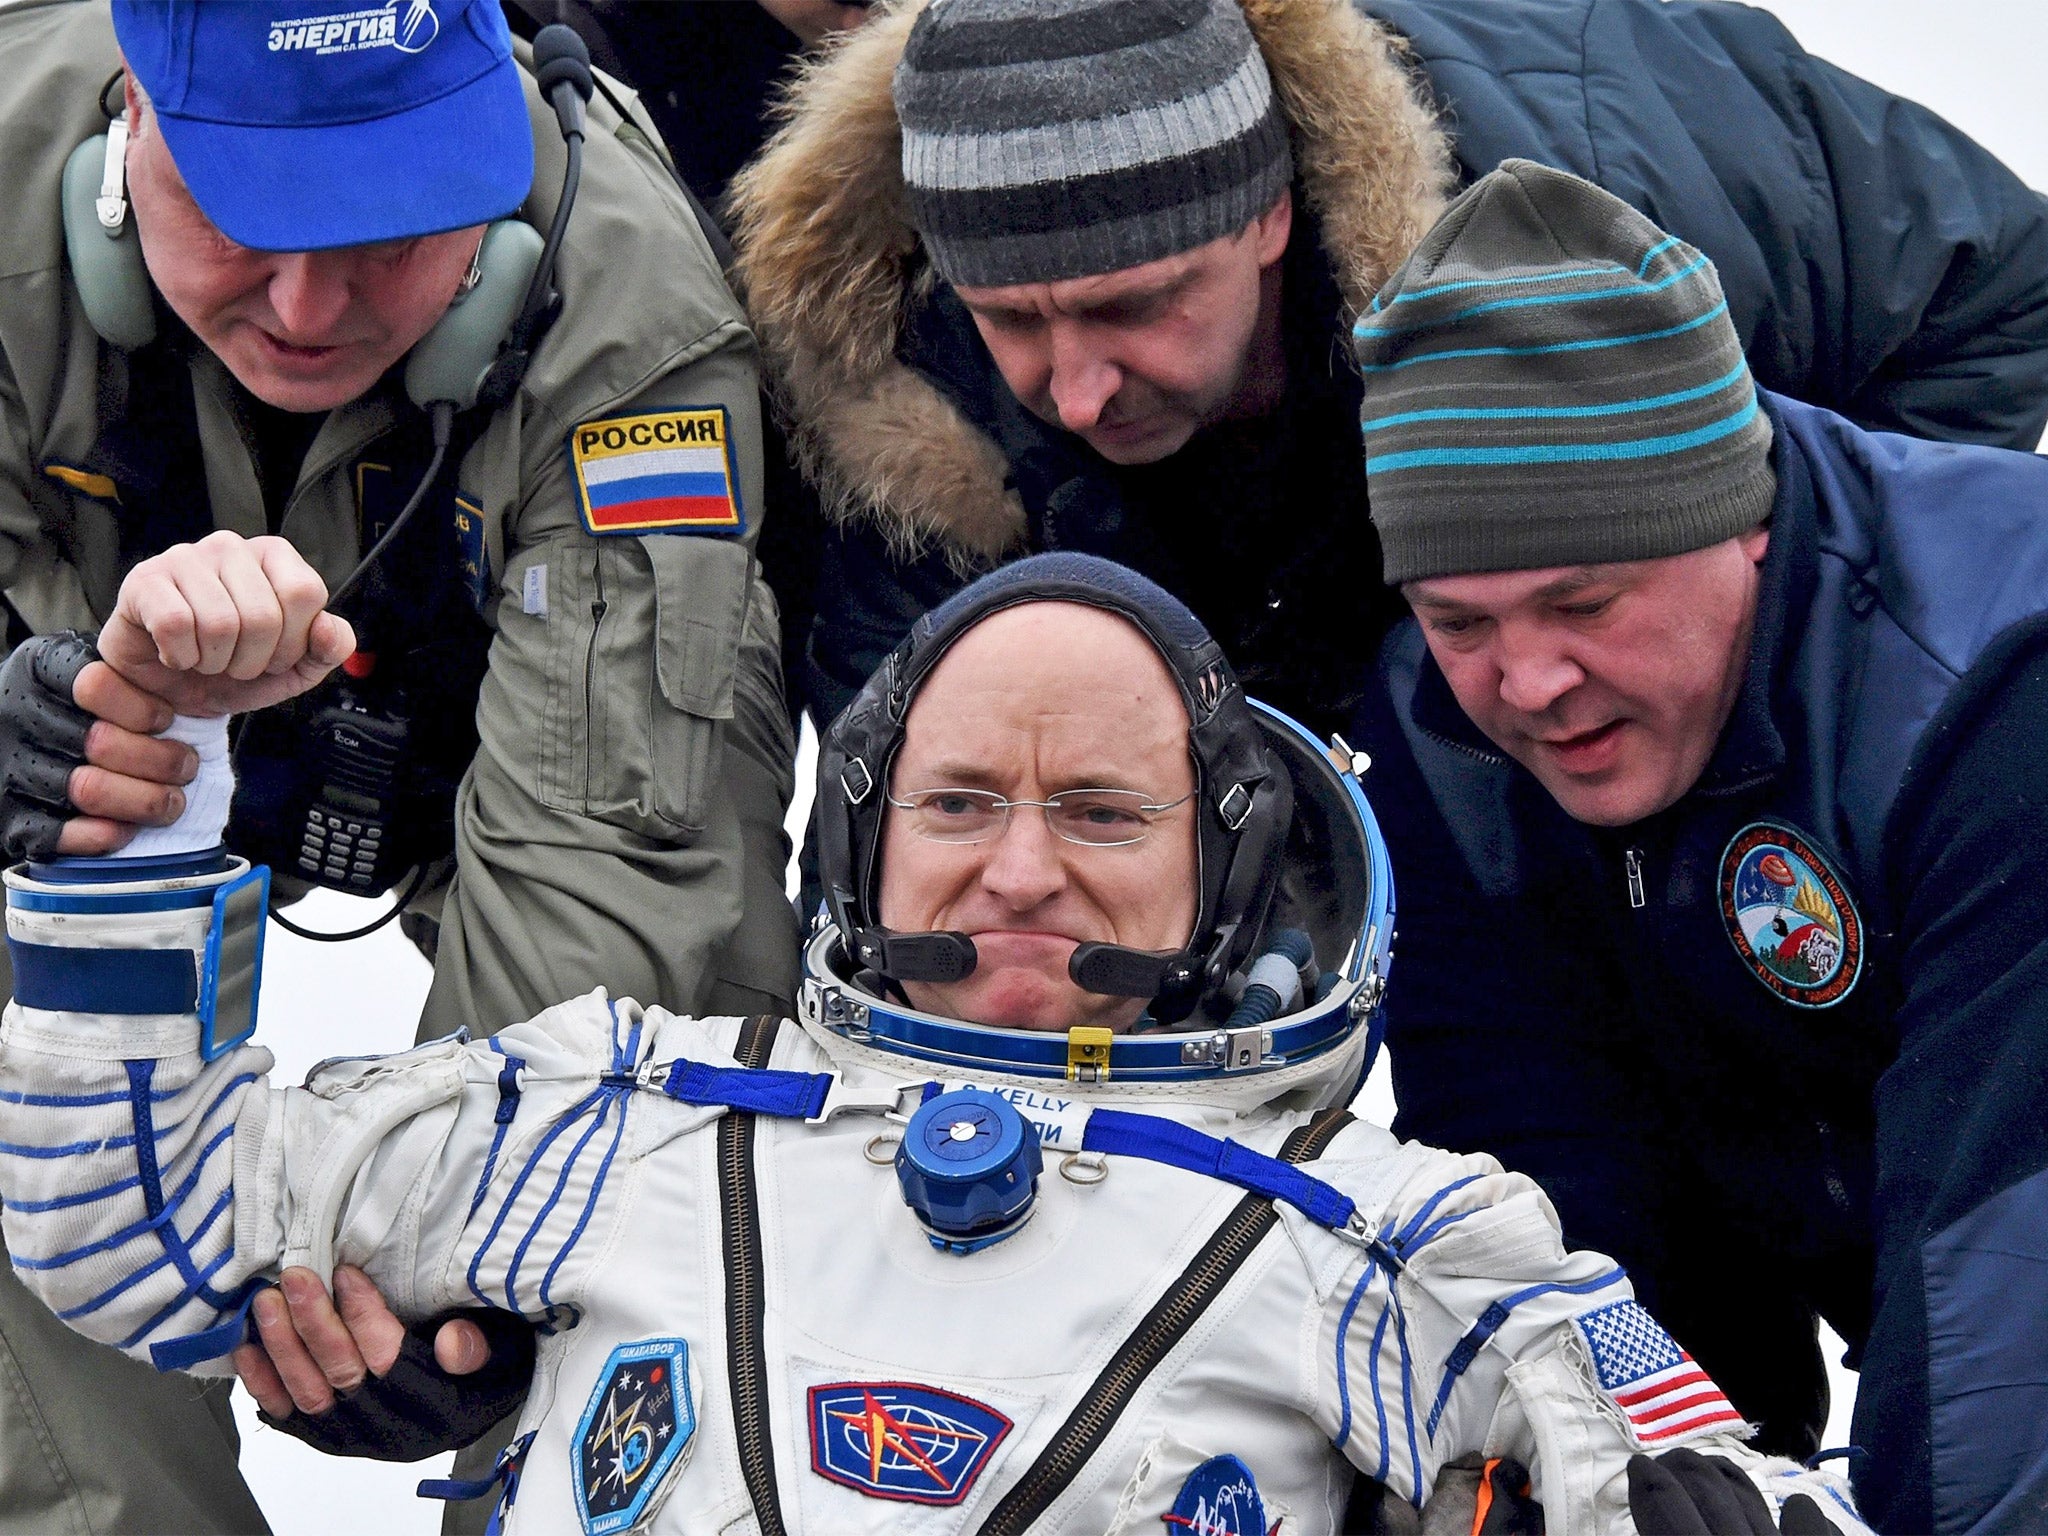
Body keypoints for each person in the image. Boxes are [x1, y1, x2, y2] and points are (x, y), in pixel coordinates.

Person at [0, 550, 1867, 1535]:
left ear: (1224, 878)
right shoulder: (613, 1103)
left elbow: (1650, 1429)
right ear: (861, 839)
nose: (1023, 870)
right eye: (961, 801)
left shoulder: (1388, 1231)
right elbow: (133, 1224)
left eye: (1107, 815)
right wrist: (139, 818)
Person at [0, 0, 797, 1528]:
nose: (306, 307)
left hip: (478, 765)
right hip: (91, 802)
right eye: (241, 215)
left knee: (641, 1167)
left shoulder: (627, 322)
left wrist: (470, 1287)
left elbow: (621, 879)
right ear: (132, 125)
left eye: (382, 226)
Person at [725, 0, 2048, 743]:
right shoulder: (910, 389)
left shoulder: (1608, 185)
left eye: (1133, 306)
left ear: (1267, 215)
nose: (1075, 390)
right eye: (1017, 319)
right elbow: (904, 760)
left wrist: (1804, 634)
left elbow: (1996, 283)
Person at [1345, 161, 2048, 1531]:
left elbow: (2007, 1267)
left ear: (1743, 523)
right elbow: (1542, 1186)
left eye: (1583, 603)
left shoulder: (1993, 684)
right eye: (1464, 618)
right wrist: (1668, 1487)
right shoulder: (1444, 728)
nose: (1528, 683)